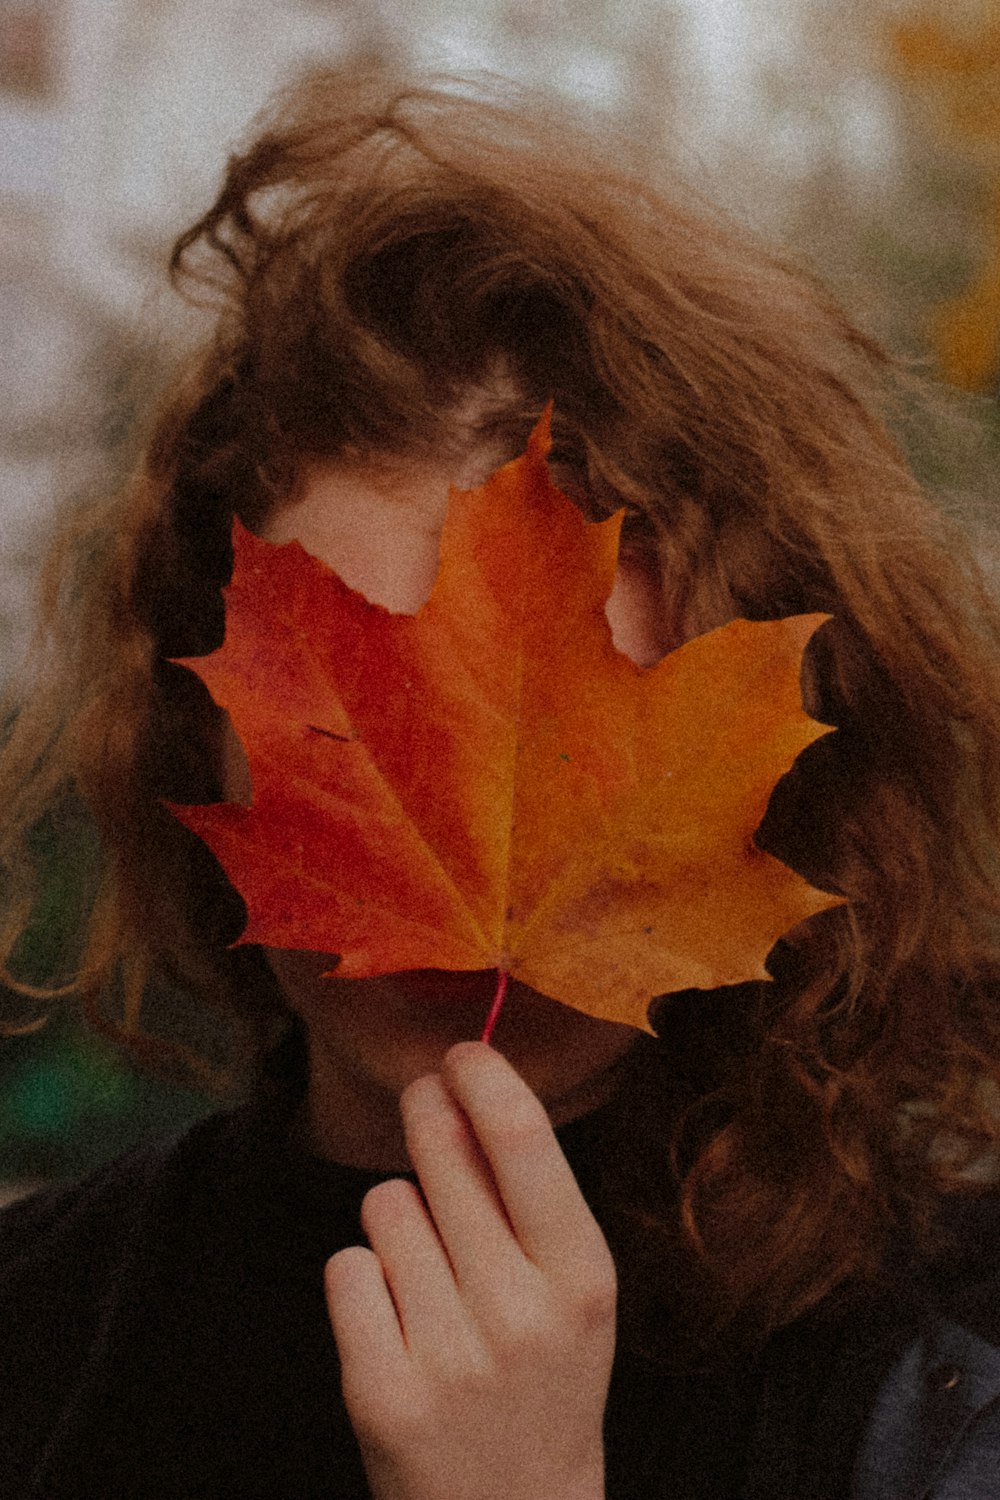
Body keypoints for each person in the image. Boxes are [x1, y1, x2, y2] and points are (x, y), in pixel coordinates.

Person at [3, 64, 1000, 1500]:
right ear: (190, 725)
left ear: (769, 778)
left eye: (590, 774)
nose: (464, 847)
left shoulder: (935, 1386)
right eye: (355, 742)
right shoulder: (42, 1336)